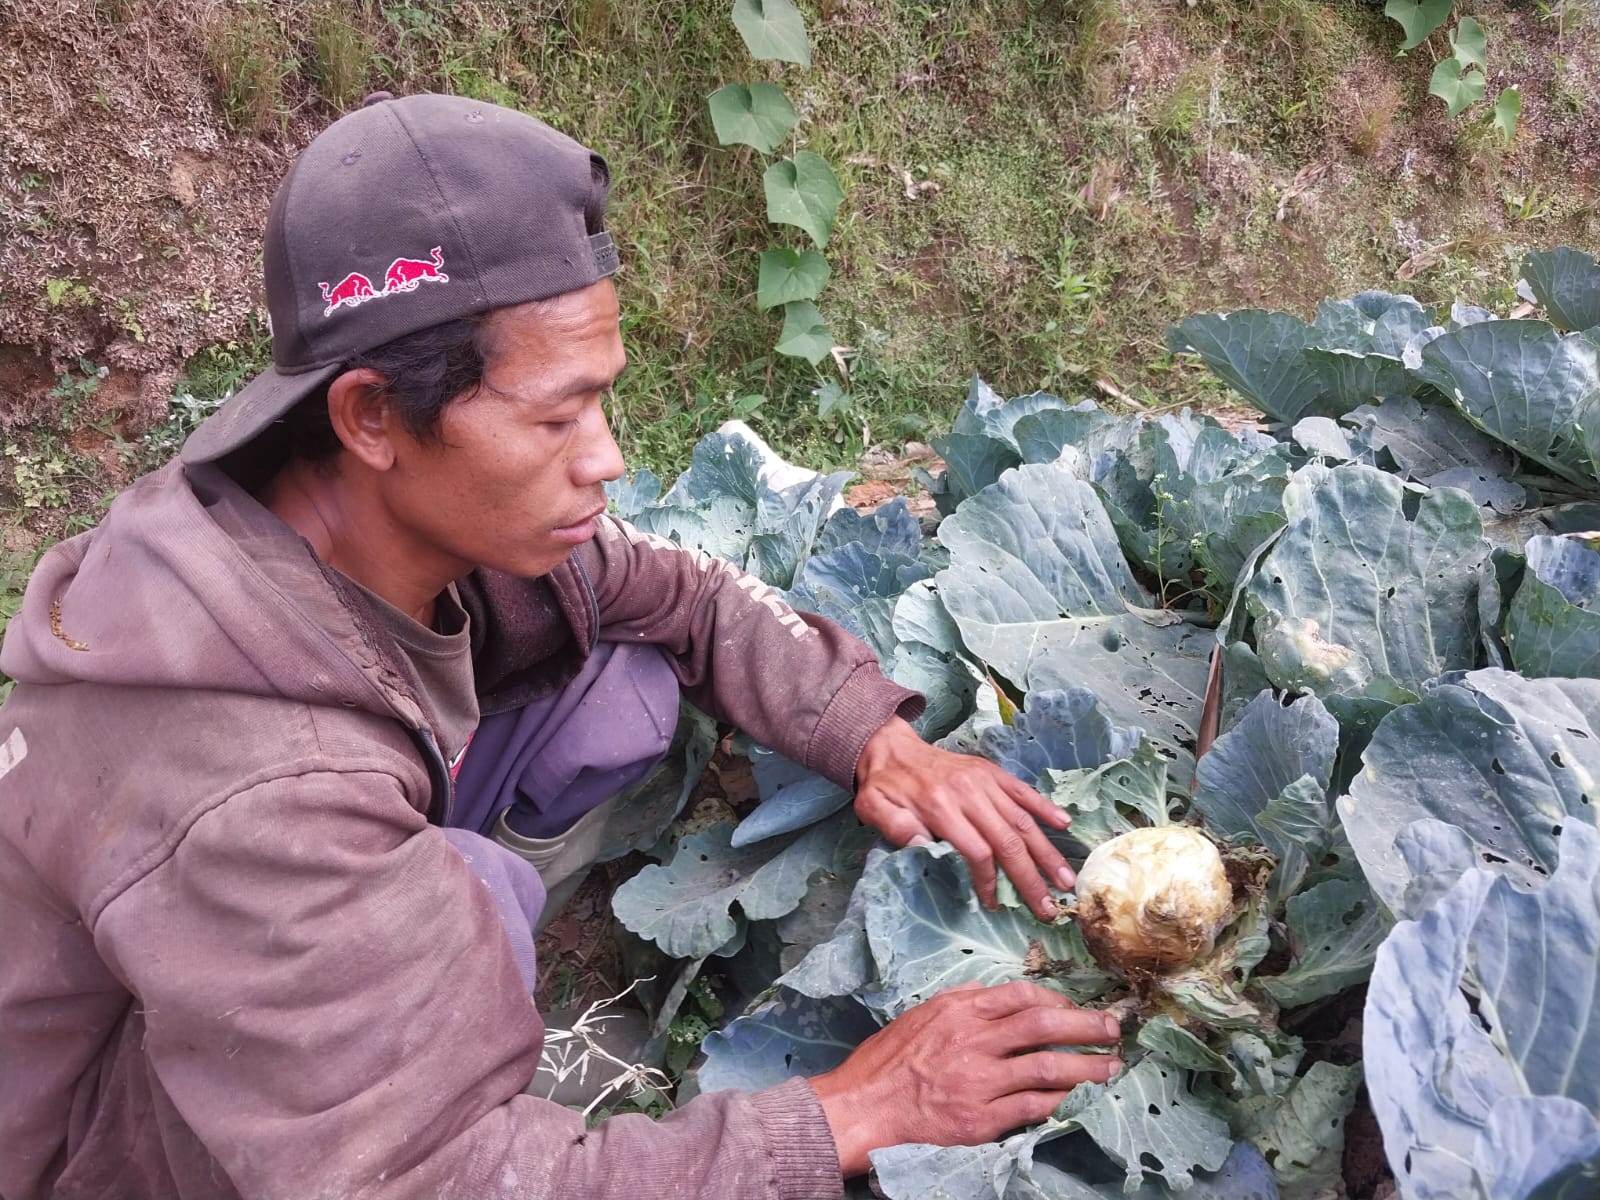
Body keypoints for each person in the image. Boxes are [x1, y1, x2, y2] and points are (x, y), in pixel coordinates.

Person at [0, 93, 1121, 1200]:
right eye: (554, 418)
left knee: (615, 687)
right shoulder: (265, 792)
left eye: (601, 403)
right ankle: (425, 1030)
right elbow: (430, 1187)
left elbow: (678, 589)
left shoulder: (371, 512)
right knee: (467, 892)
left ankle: (431, 1010)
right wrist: (850, 1113)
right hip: (92, 1147)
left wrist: (875, 738)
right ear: (371, 416)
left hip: (238, 962)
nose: (608, 460)